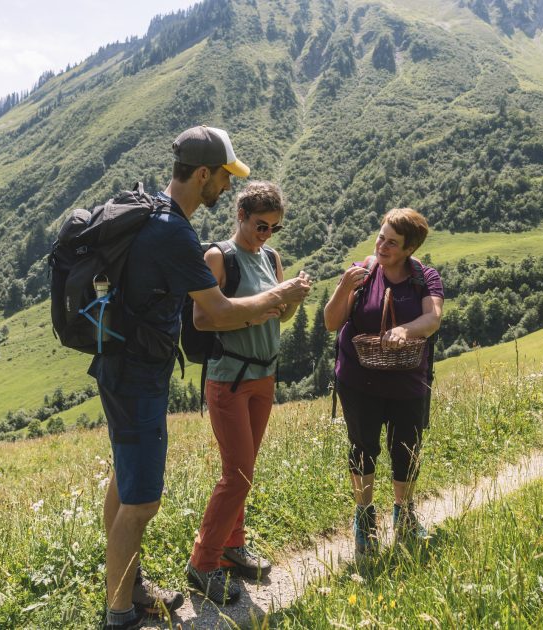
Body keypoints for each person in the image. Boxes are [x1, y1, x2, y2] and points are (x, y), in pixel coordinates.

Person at [91, 126, 311, 630]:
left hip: (122, 363)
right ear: (204, 174)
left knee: (125, 482)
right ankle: (120, 613)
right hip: (138, 374)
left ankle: (130, 584)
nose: (228, 187)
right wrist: (280, 297)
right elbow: (217, 313)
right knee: (142, 501)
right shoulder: (175, 231)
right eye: (225, 178)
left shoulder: (155, 213)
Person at [186, 181, 303, 604]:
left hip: (263, 376)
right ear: (240, 216)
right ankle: (203, 563)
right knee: (236, 473)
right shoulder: (219, 257)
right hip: (229, 379)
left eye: (274, 227)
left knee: (245, 471)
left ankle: (233, 546)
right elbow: (203, 319)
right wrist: (267, 306)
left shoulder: (271, 258)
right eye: (260, 225)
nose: (266, 234)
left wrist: (293, 297)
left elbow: (280, 316)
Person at [323, 208, 443, 559]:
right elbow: (331, 322)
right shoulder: (363, 272)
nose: (382, 246)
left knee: (407, 448)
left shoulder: (424, 277)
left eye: (392, 243)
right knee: (362, 447)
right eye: (381, 237)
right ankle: (364, 517)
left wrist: (405, 330)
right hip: (359, 379)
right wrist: (344, 286)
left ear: (409, 249)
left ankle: (404, 514)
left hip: (408, 381)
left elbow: (433, 318)